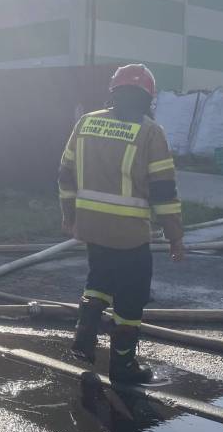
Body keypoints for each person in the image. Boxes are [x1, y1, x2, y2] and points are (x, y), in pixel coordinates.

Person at [58, 64, 184, 383]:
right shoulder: (150, 132)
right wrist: (175, 237)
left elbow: (65, 174)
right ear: (148, 98)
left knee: (99, 278)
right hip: (129, 235)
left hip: (91, 227)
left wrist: (69, 216)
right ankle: (123, 365)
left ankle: (84, 336)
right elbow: (163, 192)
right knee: (130, 298)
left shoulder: (87, 122)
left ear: (113, 92)